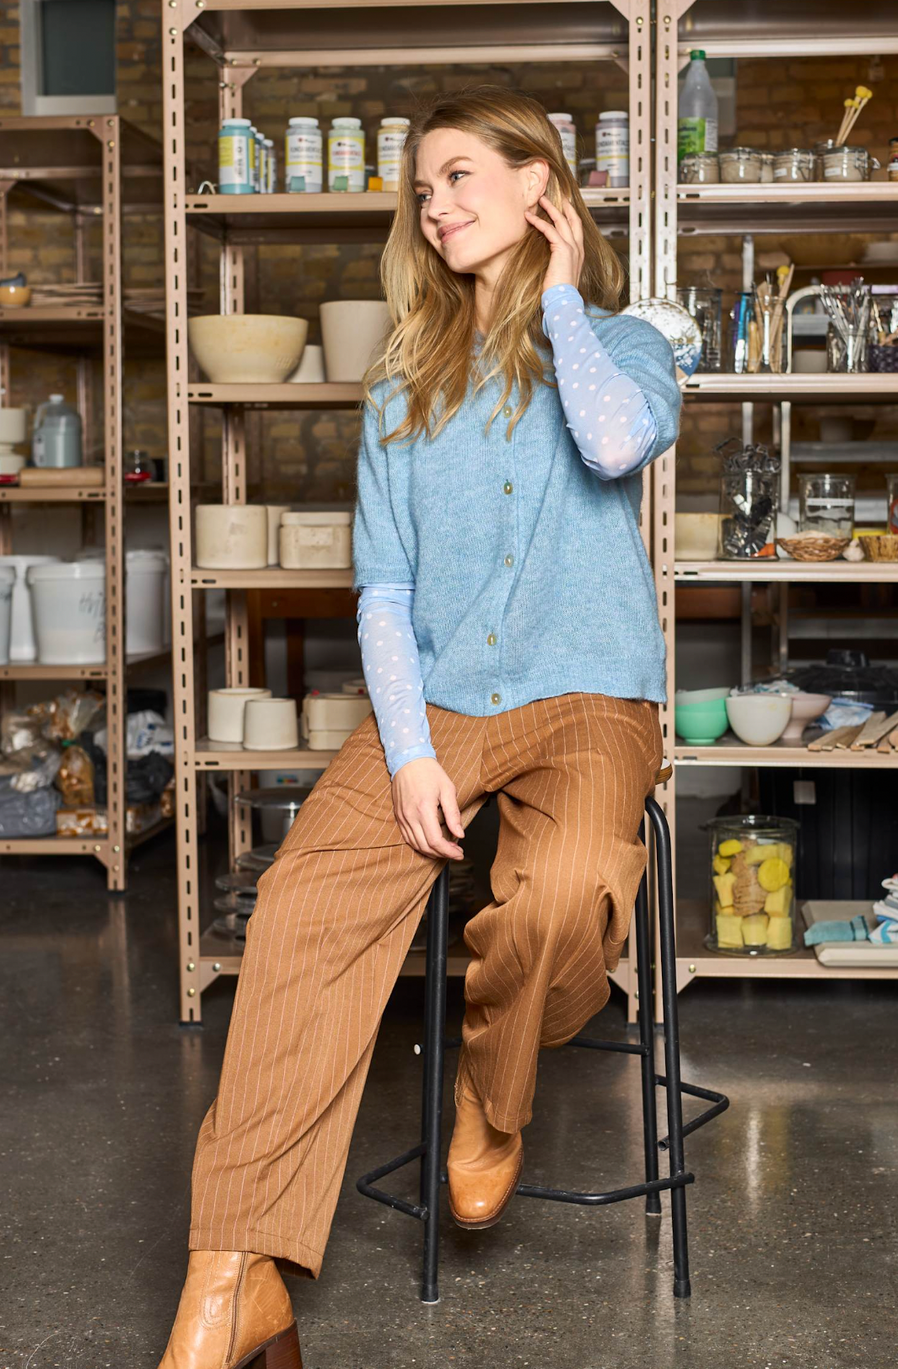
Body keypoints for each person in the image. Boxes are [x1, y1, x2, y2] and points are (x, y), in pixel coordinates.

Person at [157, 84, 680, 1369]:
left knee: (561, 894)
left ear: (537, 183)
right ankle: (233, 1275)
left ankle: (491, 1099)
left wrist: (562, 297)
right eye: (422, 188)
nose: (436, 206)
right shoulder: (402, 379)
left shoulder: (626, 341)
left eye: (458, 176)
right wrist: (406, 756)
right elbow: (382, 590)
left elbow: (616, 447)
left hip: (589, 694)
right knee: (301, 907)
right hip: (439, 701)